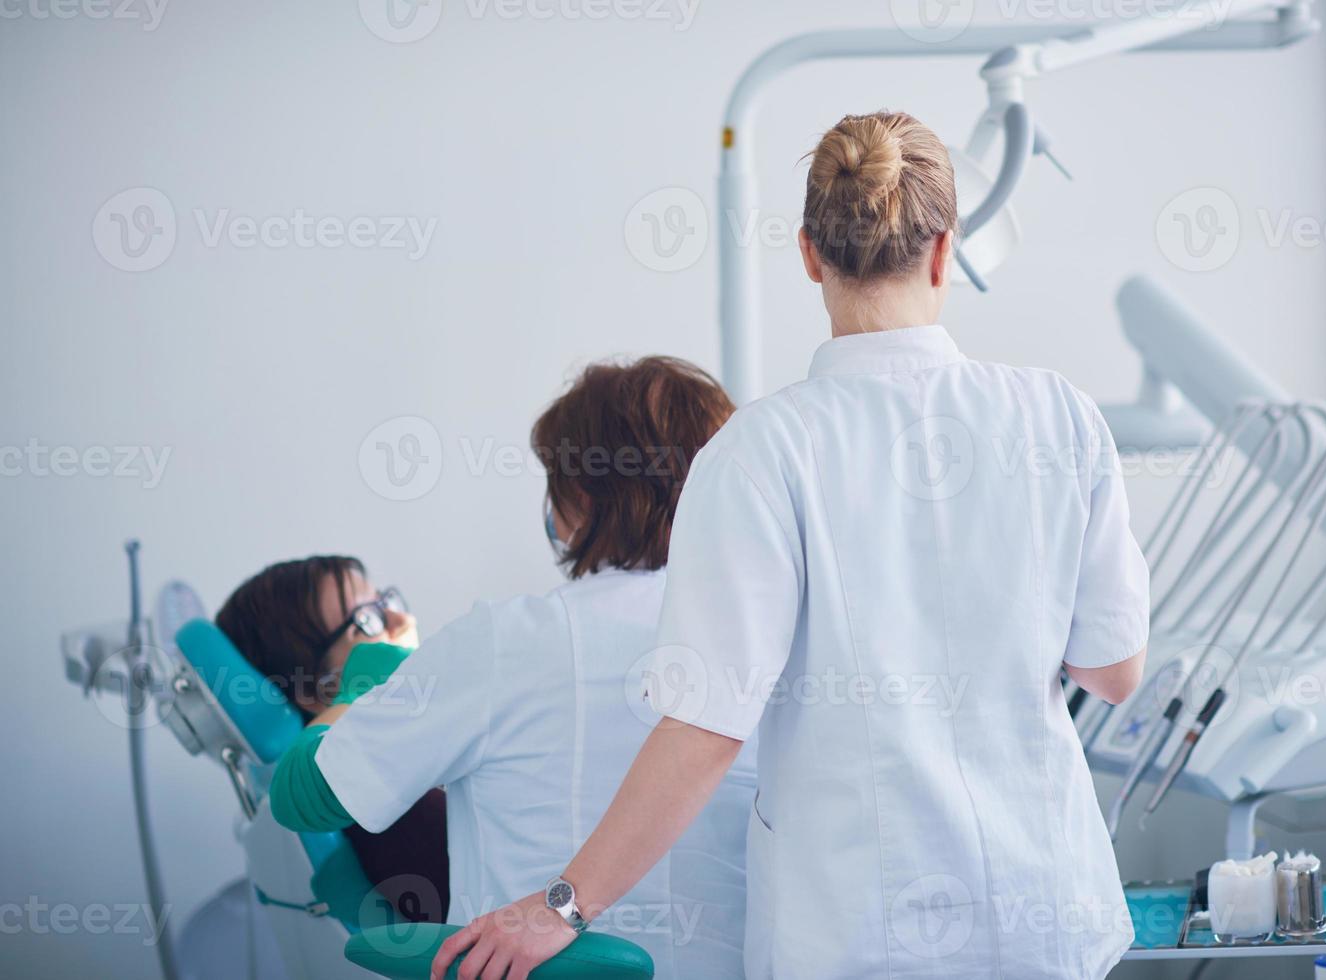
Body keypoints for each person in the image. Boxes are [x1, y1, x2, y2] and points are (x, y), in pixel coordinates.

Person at [436, 111, 1150, 980]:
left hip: (862, 932)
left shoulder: (759, 449)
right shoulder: (1058, 415)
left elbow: (706, 724)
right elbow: (1112, 675)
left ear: (809, 254)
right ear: (944, 252)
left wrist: (561, 906)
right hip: (1045, 917)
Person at [267, 356, 757, 979]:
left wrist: (371, 676)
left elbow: (304, 799)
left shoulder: (506, 640)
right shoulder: (770, 641)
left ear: (576, 495)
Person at [216, 556, 449, 923]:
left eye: (384, 603)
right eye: (367, 620)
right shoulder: (394, 809)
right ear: (315, 690)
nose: (404, 622)